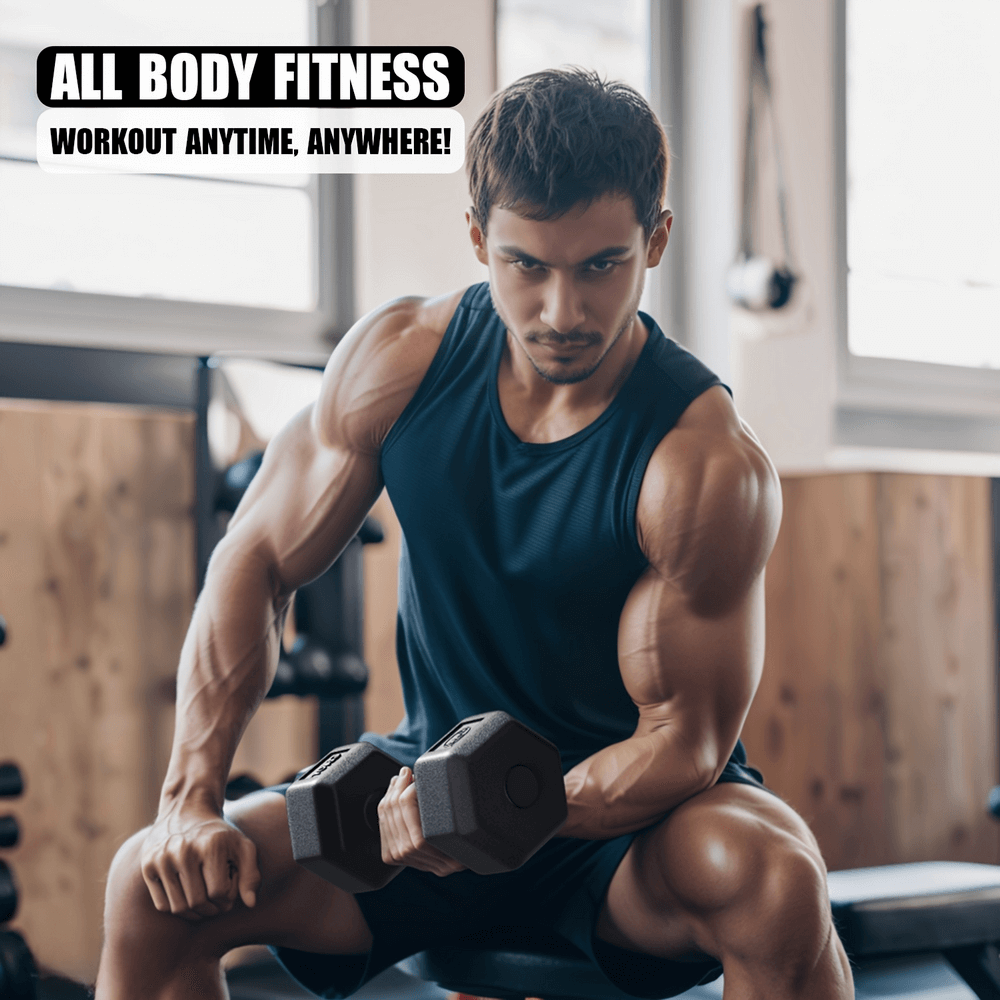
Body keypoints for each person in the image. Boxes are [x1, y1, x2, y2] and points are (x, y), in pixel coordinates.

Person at [96, 68, 853, 1000]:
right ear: (477, 237)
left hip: (624, 836)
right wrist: (188, 799)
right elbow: (251, 560)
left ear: (655, 239)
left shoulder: (700, 465)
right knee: (153, 885)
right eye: (526, 265)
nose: (562, 312)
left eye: (600, 265)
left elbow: (686, 741)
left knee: (776, 876)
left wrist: (501, 810)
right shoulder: (398, 367)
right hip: (425, 801)